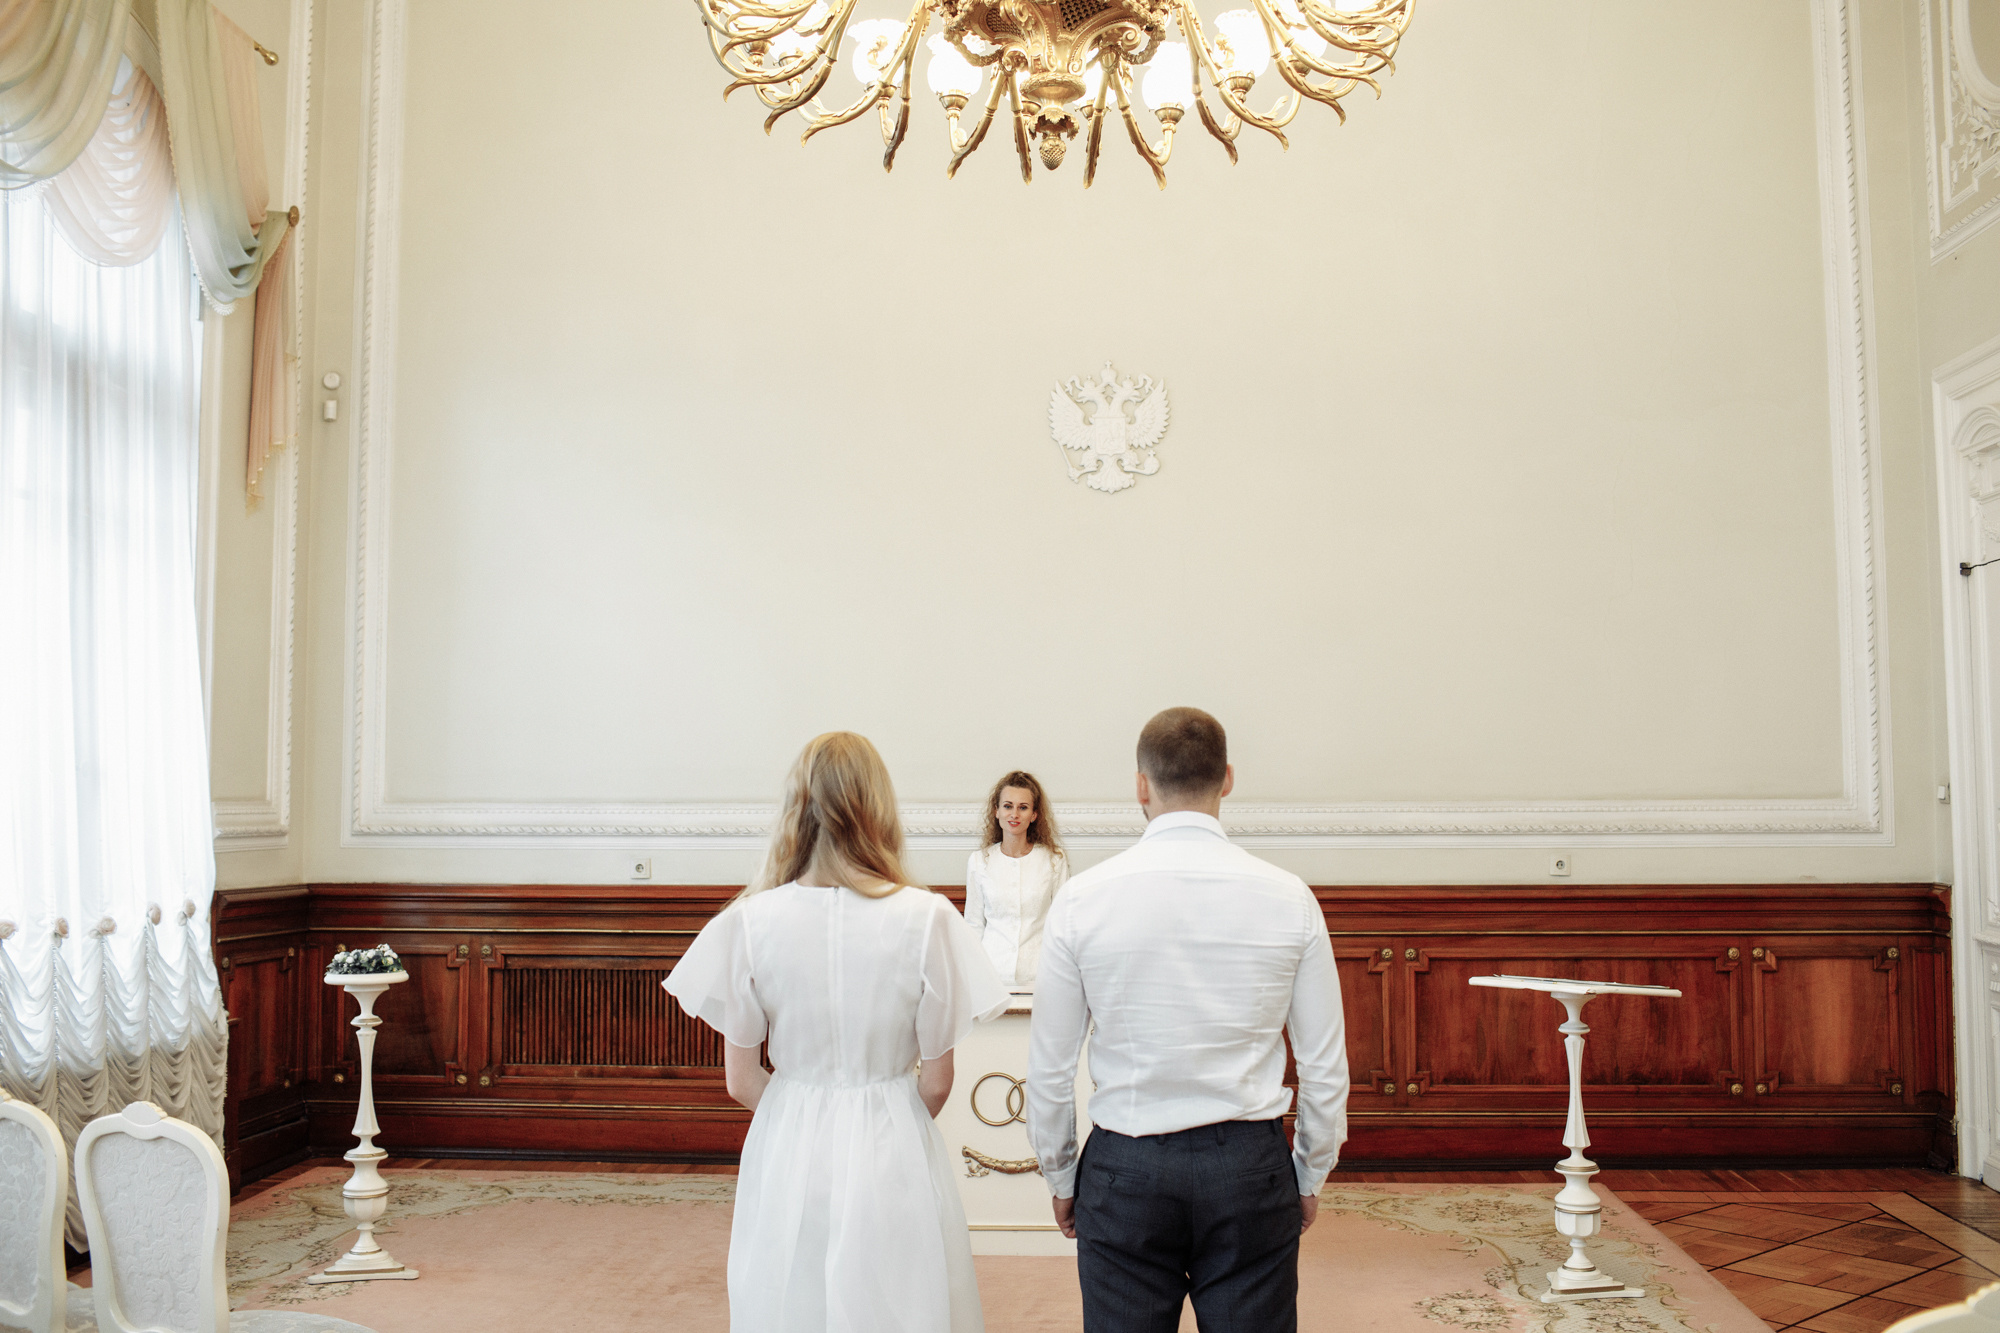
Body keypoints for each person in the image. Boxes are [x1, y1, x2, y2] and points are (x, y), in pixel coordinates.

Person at [664, 731, 1008, 1332]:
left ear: (798, 810)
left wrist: (803, 1119)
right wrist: (882, 1120)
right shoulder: (926, 918)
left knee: (788, 1299)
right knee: (902, 1301)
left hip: (789, 1133)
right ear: (878, 810)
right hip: (891, 1133)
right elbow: (938, 1080)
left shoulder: (749, 922)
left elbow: (741, 1080)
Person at [1024, 707, 1350, 1333]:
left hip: (1126, 1166)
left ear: (1141, 786)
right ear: (1227, 778)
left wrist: (1061, 1174)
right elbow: (1324, 1066)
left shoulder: (1082, 900)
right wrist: (1310, 1171)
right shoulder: (1289, 897)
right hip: (1249, 1165)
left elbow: (1050, 1069)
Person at [964, 770, 1069, 988]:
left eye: (1023, 808)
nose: (1014, 814)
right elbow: (973, 924)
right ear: (996, 811)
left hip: (1040, 975)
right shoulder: (979, 861)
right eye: (1008, 806)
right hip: (992, 975)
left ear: (1034, 815)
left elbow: (1061, 923)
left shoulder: (1053, 860)